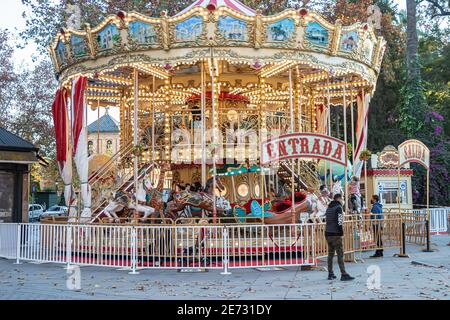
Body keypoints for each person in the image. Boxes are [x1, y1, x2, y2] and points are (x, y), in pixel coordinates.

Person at [324, 194, 354, 281]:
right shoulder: (338, 208)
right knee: (340, 254)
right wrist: (341, 232)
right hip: (336, 234)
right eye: (342, 198)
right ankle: (343, 274)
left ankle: (330, 273)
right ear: (339, 198)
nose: (343, 200)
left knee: (330, 254)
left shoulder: (329, 208)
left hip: (327, 233)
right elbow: (340, 221)